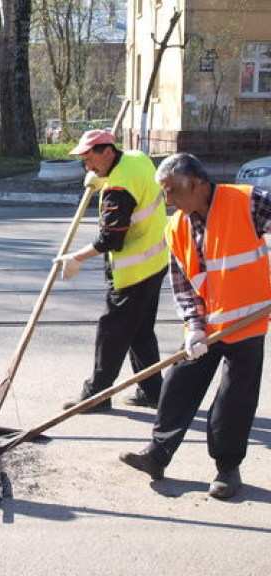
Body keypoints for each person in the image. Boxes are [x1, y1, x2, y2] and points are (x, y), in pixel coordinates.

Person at [120, 153, 271, 500]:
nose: (167, 200)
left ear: (199, 184)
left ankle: (227, 469)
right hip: (207, 324)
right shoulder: (176, 226)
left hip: (247, 322)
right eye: (164, 192)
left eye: (172, 191)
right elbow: (183, 284)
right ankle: (158, 454)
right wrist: (193, 327)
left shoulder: (247, 202)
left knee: (234, 400)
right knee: (177, 383)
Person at [55, 130, 168, 411]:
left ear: (107, 151)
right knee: (140, 331)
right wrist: (101, 177)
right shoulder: (137, 158)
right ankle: (153, 390)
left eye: (90, 159)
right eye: (83, 161)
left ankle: (97, 395)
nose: (87, 167)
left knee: (112, 331)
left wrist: (76, 258)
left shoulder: (118, 187)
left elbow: (110, 239)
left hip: (133, 271)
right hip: (156, 261)